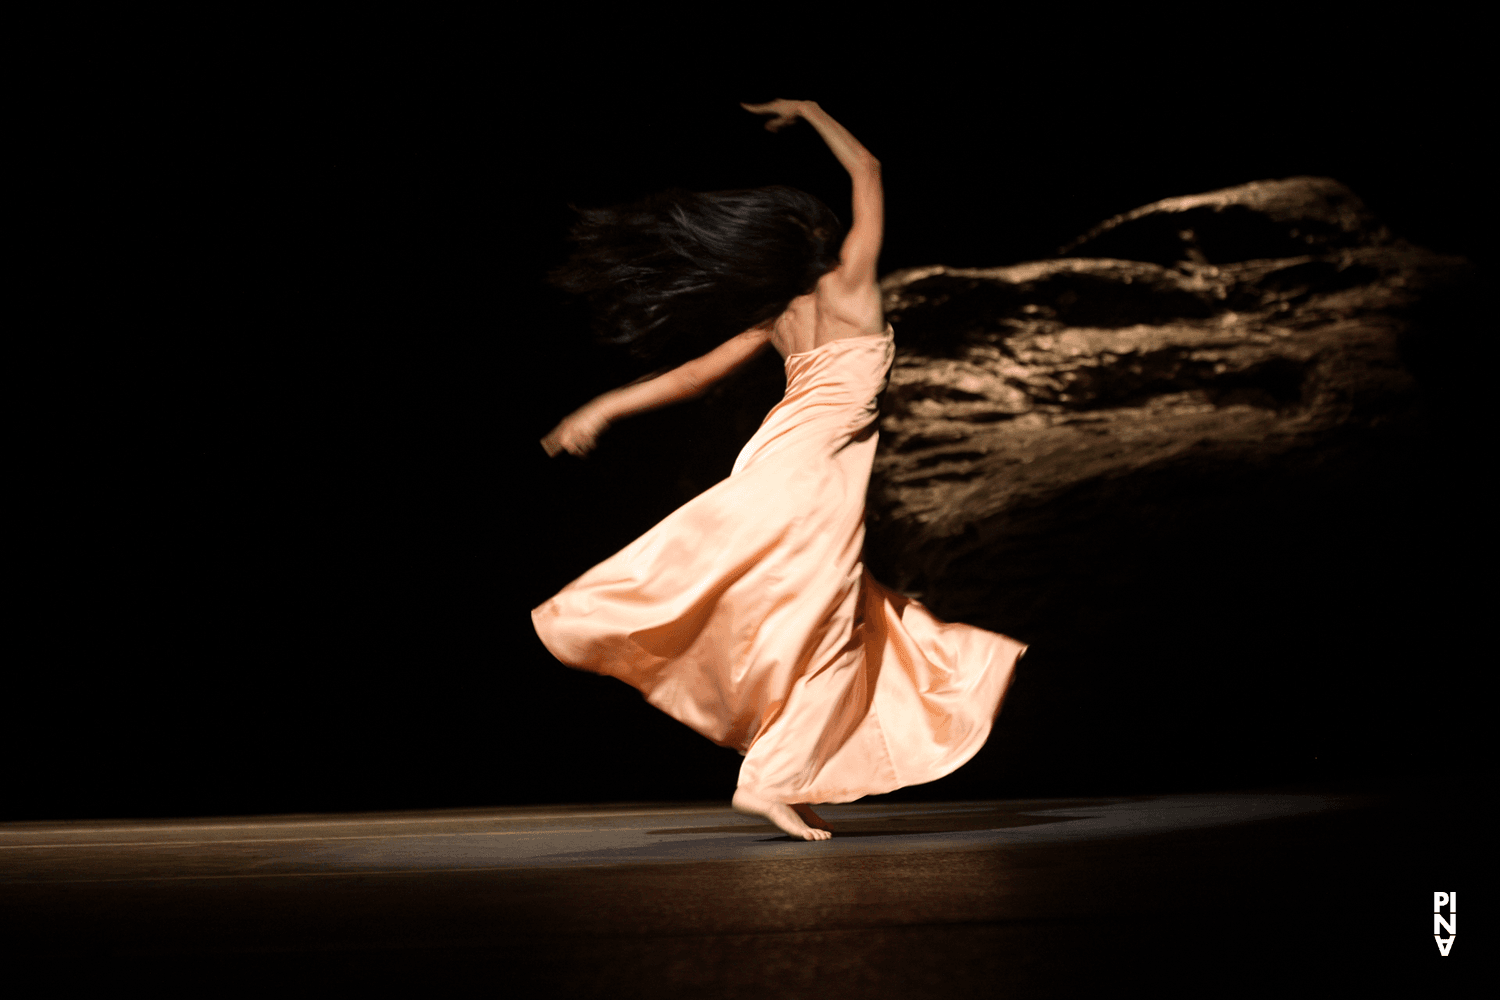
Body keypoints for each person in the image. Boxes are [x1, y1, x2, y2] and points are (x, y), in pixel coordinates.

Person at [533, 100, 1027, 841]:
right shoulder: (851, 282)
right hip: (814, 475)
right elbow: (869, 167)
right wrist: (812, 112)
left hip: (777, 459)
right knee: (824, 626)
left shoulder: (777, 314)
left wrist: (603, 407)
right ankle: (764, 779)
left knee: (846, 616)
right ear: (824, 239)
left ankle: (788, 771)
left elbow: (694, 374)